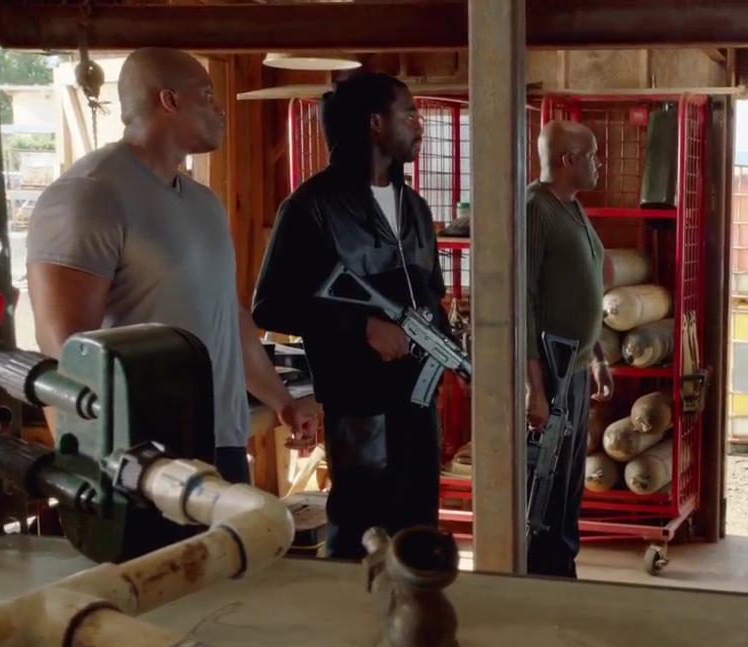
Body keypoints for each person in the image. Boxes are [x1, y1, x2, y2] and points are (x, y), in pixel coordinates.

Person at [25, 47, 318, 486]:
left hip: (222, 440)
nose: (220, 110)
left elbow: (229, 317)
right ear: (169, 100)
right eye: (207, 95)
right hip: (142, 457)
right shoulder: (90, 195)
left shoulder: (204, 203)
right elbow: (65, 351)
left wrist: (283, 401)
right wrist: (87, 472)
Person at [251, 72, 449, 561]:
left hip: (418, 401)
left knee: (419, 526)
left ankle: (416, 602)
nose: (419, 126)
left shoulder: (415, 208)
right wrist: (362, 327)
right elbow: (270, 304)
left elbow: (432, 292)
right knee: (361, 529)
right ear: (375, 122)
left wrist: (442, 345)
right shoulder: (311, 207)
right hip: (359, 404)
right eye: (409, 115)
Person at [524, 120, 616, 578]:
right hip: (550, 373)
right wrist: (533, 388)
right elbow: (523, 301)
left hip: (575, 369)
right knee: (546, 484)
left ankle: (563, 573)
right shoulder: (535, 210)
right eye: (593, 155)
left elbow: (581, 290)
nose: (599, 163)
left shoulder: (572, 207)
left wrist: (596, 356)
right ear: (568, 160)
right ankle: (541, 580)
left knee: (568, 485)